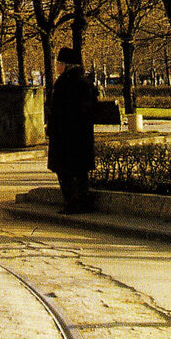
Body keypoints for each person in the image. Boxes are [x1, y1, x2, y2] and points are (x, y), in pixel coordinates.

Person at [47, 47, 97, 214]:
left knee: (64, 170)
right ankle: (84, 202)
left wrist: (51, 130)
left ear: (66, 65)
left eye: (59, 63)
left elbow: (58, 111)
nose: (57, 67)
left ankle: (71, 203)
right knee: (81, 171)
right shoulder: (85, 82)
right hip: (82, 135)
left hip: (65, 136)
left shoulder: (63, 83)